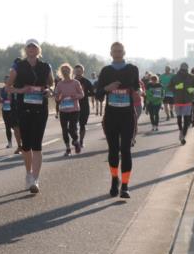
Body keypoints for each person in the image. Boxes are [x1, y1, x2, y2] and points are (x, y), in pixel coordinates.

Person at [5, 40, 54, 193]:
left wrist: (49, 91)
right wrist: (21, 90)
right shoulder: (18, 66)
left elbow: (51, 85)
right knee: (26, 145)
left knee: (37, 144)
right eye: (29, 47)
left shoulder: (46, 66)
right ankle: (28, 173)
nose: (31, 49)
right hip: (23, 108)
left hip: (40, 108)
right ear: (25, 50)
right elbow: (8, 87)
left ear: (38, 49)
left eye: (34, 47)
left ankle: (36, 179)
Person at [95, 42, 140, 199]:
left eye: (120, 50)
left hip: (127, 115)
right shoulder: (106, 71)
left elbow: (137, 87)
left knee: (126, 150)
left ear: (124, 52)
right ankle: (115, 180)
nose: (117, 53)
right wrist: (108, 88)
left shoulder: (132, 69)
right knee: (113, 150)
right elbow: (98, 94)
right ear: (110, 53)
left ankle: (125, 186)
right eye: (115, 51)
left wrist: (138, 92)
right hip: (111, 116)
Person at [54, 64, 84, 156]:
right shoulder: (59, 84)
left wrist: (75, 96)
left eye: (67, 69)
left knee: (72, 128)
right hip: (63, 110)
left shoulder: (75, 83)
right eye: (63, 70)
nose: (65, 71)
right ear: (60, 72)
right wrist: (59, 97)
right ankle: (67, 148)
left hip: (74, 109)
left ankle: (76, 141)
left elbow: (82, 94)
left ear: (70, 71)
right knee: (64, 130)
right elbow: (56, 97)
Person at [171, 62, 194, 145]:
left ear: (187, 69)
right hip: (178, 101)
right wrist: (176, 87)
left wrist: (192, 90)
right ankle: (181, 132)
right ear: (180, 69)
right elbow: (169, 87)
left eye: (185, 70)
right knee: (179, 119)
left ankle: (183, 136)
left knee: (187, 120)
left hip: (187, 101)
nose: (183, 71)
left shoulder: (192, 77)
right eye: (182, 70)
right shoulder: (175, 77)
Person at [73, 64, 94, 148]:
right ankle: (75, 139)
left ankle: (81, 141)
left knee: (82, 125)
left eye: (80, 71)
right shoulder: (71, 81)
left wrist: (84, 94)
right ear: (74, 71)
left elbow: (92, 92)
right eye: (76, 71)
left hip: (84, 106)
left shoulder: (86, 81)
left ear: (83, 72)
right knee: (72, 125)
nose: (78, 72)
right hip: (73, 106)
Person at [0, 73, 18, 150]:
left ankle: (20, 141)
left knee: (15, 127)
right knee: (7, 126)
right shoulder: (3, 89)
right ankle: (9, 142)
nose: (7, 81)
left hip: (13, 109)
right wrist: (1, 100)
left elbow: (14, 99)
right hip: (5, 109)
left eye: (8, 80)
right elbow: (2, 98)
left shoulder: (14, 88)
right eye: (5, 80)